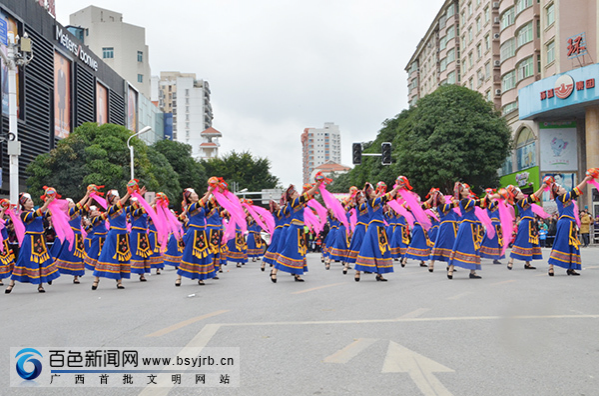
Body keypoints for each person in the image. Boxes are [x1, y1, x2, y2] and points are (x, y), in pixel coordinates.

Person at [7, 191, 59, 293]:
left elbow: (46, 213)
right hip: (29, 240)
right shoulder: (24, 215)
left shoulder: (36, 212)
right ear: (24, 204)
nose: (31, 202)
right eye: (29, 201)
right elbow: (38, 213)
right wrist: (47, 203)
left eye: (31, 200)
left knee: (42, 261)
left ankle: (41, 285)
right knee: (21, 260)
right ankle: (11, 284)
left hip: (40, 240)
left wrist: (52, 204)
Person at [271, 180, 323, 283]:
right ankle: (274, 270)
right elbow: (307, 195)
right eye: (295, 193)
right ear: (291, 196)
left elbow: (306, 197)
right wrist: (316, 186)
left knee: (300, 251)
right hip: (294, 229)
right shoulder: (294, 202)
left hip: (300, 229)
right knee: (288, 249)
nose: (297, 193)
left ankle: (297, 274)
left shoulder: (298, 202)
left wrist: (307, 189)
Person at [92, 185, 137, 290]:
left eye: (119, 198)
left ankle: (119, 282)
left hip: (123, 236)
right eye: (116, 198)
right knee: (105, 255)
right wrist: (129, 193)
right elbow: (121, 203)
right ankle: (96, 280)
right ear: (112, 201)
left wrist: (138, 194)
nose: (119, 200)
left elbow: (136, 206)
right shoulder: (111, 209)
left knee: (121, 257)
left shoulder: (123, 210)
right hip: (113, 236)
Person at [547, 174, 593, 276]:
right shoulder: (560, 198)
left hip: (570, 223)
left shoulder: (566, 199)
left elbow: (576, 192)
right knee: (560, 243)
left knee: (573, 244)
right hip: (565, 223)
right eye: (562, 188)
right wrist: (585, 180)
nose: (564, 188)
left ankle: (571, 268)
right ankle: (551, 266)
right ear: (558, 192)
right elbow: (576, 190)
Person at [354, 181, 400, 282]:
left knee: (381, 249)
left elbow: (386, 198)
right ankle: (358, 271)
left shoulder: (376, 202)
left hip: (380, 227)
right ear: (370, 194)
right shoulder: (371, 202)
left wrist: (395, 191)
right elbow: (384, 197)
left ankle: (380, 274)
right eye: (373, 190)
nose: (375, 191)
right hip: (374, 228)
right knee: (367, 248)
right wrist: (396, 188)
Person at [447, 183, 493, 280]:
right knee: (459, 245)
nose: (467, 190)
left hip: (472, 226)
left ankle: (473, 271)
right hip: (466, 226)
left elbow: (482, 204)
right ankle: (451, 268)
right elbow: (477, 202)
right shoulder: (463, 202)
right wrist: (488, 198)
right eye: (465, 189)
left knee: (474, 246)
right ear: (461, 193)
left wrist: (489, 199)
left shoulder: (468, 200)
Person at [176, 186, 217, 286]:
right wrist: (209, 192)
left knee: (203, 255)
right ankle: (179, 277)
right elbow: (202, 202)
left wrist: (217, 193)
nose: (196, 195)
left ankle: (201, 277)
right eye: (193, 195)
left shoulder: (202, 207)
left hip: (202, 233)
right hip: (193, 232)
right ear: (189, 199)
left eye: (195, 194)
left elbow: (210, 206)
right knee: (188, 254)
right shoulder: (190, 207)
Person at [506, 183, 546, 270]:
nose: (521, 194)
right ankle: (511, 261)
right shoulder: (520, 202)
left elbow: (535, 196)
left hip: (530, 223)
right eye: (519, 193)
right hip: (525, 223)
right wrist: (542, 187)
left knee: (530, 242)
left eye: (521, 192)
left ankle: (527, 263)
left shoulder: (525, 202)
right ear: (516, 197)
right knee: (520, 241)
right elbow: (533, 196)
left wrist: (542, 189)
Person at [55, 193, 91, 284]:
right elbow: (80, 205)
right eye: (70, 203)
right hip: (71, 236)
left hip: (78, 235)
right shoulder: (69, 212)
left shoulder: (77, 212)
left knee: (78, 255)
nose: (73, 204)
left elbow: (86, 207)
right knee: (67, 254)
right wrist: (87, 195)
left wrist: (91, 197)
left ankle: (76, 276)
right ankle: (54, 270)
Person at [0, 199, 16, 286]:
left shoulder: (3, 221)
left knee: (5, 260)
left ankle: (2, 278)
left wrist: (12, 214)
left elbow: (6, 222)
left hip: (4, 243)